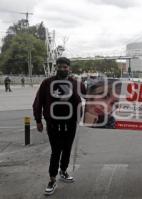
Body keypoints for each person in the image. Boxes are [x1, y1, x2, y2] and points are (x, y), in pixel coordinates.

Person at [33, 57, 86, 195]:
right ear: (56, 67)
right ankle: (52, 179)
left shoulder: (76, 83)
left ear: (69, 68)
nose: (62, 69)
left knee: (67, 149)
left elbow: (89, 96)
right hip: (53, 124)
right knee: (56, 151)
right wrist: (38, 120)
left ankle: (63, 171)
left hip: (70, 123)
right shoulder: (47, 83)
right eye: (60, 67)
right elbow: (38, 102)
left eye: (65, 67)